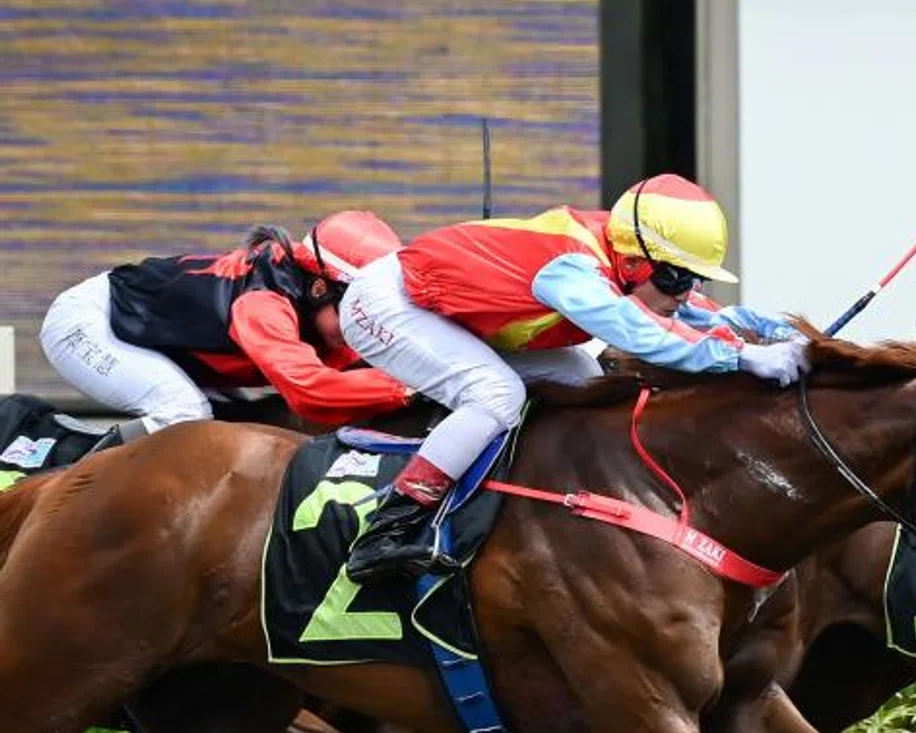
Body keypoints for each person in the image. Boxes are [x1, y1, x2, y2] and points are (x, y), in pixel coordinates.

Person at [339, 173, 809, 584]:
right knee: (496, 394)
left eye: (694, 279)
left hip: (455, 315)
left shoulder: (624, 253)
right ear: (633, 264)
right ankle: (386, 532)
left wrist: (782, 333)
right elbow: (640, 334)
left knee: (584, 378)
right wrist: (742, 358)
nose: (686, 293)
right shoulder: (572, 268)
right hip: (390, 304)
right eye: (676, 279)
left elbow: (702, 314)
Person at [39, 211, 412, 448]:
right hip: (88, 323)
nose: (363, 327)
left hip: (165, 340)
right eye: (357, 312)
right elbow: (309, 391)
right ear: (319, 288)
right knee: (185, 413)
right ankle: (71, 476)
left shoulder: (318, 300)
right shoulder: (263, 305)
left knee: (228, 427)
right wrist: (410, 387)